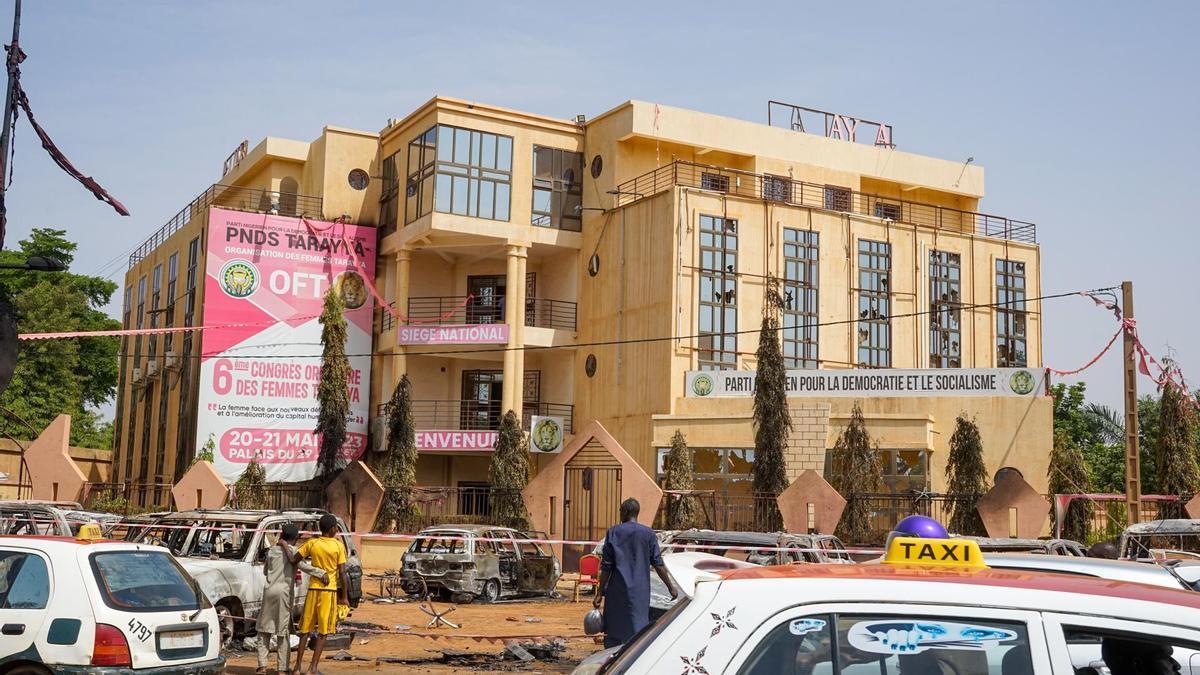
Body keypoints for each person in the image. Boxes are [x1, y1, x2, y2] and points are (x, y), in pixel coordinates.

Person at [593, 498, 677, 649]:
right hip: (640, 591)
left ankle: (613, 662)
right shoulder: (648, 534)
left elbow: (606, 566)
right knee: (637, 629)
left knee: (614, 629)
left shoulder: (613, 532)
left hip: (617, 591)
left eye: (620, 511)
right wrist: (670, 587)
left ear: (624, 512)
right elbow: (658, 563)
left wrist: (599, 592)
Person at [255, 523, 327, 675]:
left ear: (282, 535)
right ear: (295, 538)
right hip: (284, 593)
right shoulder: (295, 551)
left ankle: (262, 666)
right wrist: (321, 573)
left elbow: (265, 571)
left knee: (264, 629)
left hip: (269, 592)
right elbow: (304, 567)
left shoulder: (272, 551)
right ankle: (282, 668)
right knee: (282, 632)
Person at [289, 514, 349, 675]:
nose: (337, 529)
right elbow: (342, 573)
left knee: (305, 630)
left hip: (313, 590)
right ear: (332, 529)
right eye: (336, 527)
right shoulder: (338, 546)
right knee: (323, 631)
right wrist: (344, 597)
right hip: (328, 592)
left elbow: (295, 559)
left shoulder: (313, 543)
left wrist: (283, 546)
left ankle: (297, 667)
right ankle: (313, 668)